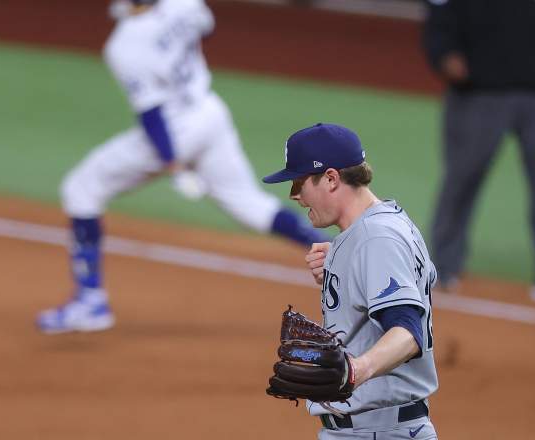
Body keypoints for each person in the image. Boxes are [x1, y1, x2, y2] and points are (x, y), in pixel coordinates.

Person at [36, 0, 327, 334]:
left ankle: (90, 301)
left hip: (175, 132)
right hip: (209, 113)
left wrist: (172, 163)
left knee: (82, 188)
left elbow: (152, 116)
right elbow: (206, 29)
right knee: (250, 205)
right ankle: (334, 254)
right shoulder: (183, 3)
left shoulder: (124, 45)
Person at [262, 123, 439, 439]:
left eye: (299, 182)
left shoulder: (376, 237)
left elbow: (408, 331)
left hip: (379, 431)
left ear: (331, 178)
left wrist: (357, 369)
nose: (294, 195)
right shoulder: (386, 224)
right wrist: (349, 266)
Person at [422, 0, 535, 304]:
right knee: (462, 179)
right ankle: (442, 267)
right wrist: (443, 53)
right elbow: (439, 13)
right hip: (478, 93)